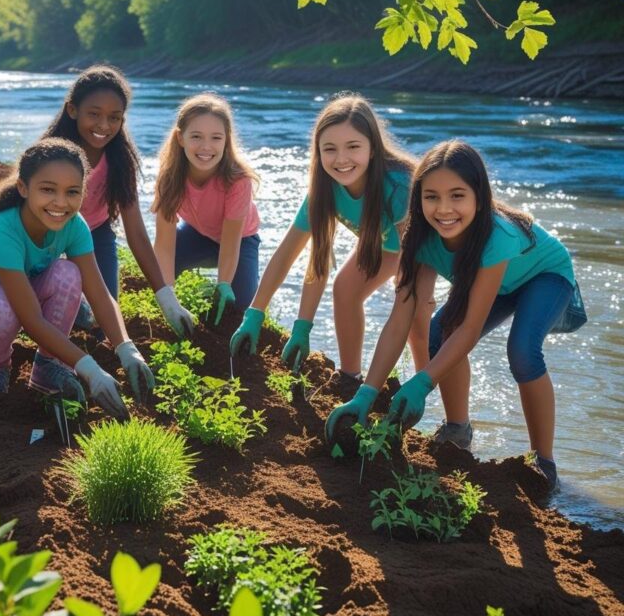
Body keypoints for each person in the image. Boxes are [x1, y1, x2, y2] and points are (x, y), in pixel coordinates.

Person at [325, 140, 586, 489]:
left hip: (545, 276)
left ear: (479, 196)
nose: (444, 209)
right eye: (431, 196)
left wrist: (423, 382)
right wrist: (366, 393)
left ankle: (544, 461)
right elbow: (400, 319)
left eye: (457, 195)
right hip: (495, 283)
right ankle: (457, 429)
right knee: (437, 336)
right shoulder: (419, 239)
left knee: (522, 349)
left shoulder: (497, 236)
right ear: (418, 198)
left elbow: (470, 328)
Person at [0, 139, 154, 418]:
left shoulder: (74, 226)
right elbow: (30, 318)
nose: (60, 203)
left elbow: (99, 292)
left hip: (19, 289)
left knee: (68, 274)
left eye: (72, 192)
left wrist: (126, 349)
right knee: (4, 306)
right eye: (48, 190)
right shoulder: (2, 230)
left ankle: (47, 367)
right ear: (23, 188)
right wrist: (90, 370)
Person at [230, 93, 429, 397]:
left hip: (428, 252)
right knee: (345, 289)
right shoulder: (323, 190)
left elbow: (413, 263)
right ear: (318, 152)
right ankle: (350, 380)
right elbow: (289, 256)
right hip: (387, 246)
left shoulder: (399, 187)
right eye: (330, 149)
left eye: (353, 147)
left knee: (417, 317)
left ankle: (434, 403)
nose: (341, 159)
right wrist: (263, 315)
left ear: (373, 148)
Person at [42, 64, 195, 337]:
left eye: (114, 117)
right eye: (94, 114)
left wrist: (166, 298)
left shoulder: (119, 162)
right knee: (55, 305)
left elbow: (135, 232)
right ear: (72, 110)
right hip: (46, 232)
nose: (104, 125)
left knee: (104, 318)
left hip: (95, 232)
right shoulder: (50, 156)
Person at [152, 92, 261, 325]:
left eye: (216, 138)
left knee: (239, 308)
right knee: (158, 277)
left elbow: (231, 243)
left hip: (241, 241)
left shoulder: (238, 180)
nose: (206, 147)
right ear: (180, 138)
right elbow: (163, 243)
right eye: (196, 136)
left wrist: (223, 283)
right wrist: (168, 298)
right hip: (197, 235)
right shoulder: (169, 178)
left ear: (226, 139)